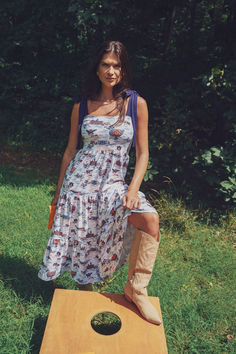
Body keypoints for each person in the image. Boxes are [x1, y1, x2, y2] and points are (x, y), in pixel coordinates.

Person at [38, 40, 162, 325]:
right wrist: (58, 194)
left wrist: (132, 190)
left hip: (114, 186)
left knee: (150, 220)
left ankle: (136, 289)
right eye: (105, 64)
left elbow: (143, 153)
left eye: (117, 65)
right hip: (79, 186)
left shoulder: (135, 104)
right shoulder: (81, 106)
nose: (111, 71)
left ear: (123, 69)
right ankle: (86, 304)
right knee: (84, 245)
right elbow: (71, 151)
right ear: (97, 69)